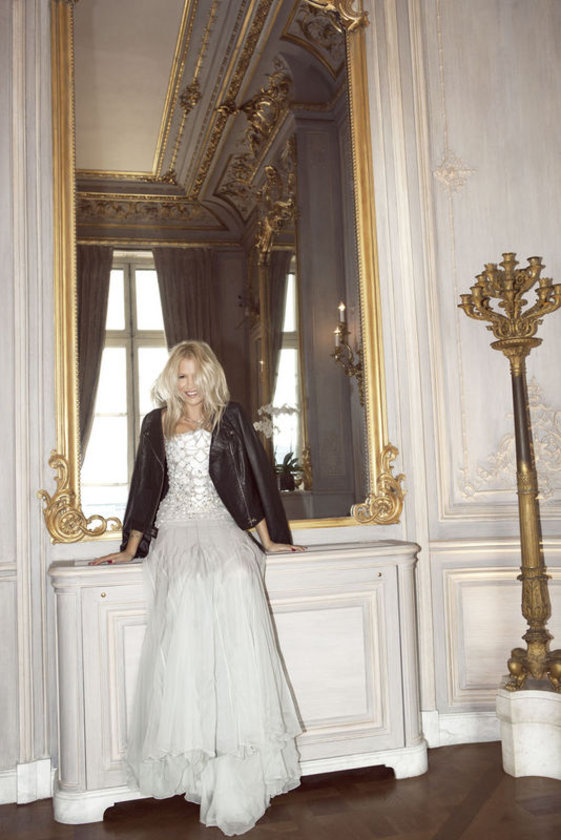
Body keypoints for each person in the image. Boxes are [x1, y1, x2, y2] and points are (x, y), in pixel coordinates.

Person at [90, 340, 305, 836]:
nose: (189, 386)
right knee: (187, 600)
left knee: (238, 577)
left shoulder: (230, 418)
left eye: (196, 375)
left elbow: (250, 482)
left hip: (222, 526)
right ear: (172, 379)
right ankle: (195, 760)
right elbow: (145, 484)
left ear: (211, 376)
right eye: (181, 376)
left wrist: (269, 541)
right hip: (176, 529)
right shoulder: (156, 423)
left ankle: (234, 762)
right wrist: (130, 547)